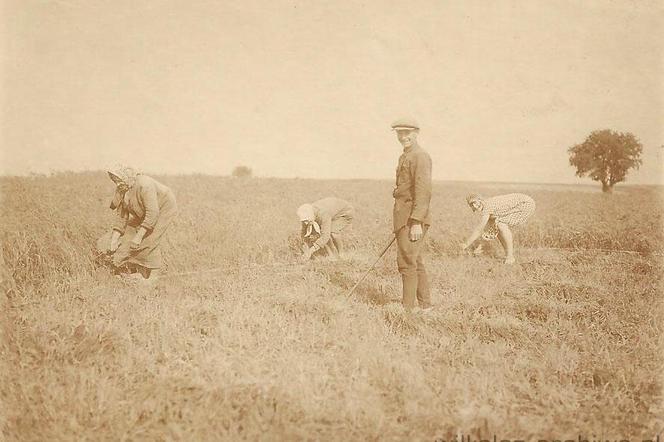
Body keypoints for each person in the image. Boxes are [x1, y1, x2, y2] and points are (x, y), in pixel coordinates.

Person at [96, 165, 177, 282]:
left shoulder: (145, 185)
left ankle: (153, 277)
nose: (117, 183)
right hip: (145, 210)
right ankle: (134, 269)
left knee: (149, 238)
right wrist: (114, 240)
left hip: (164, 207)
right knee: (129, 235)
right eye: (114, 180)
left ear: (126, 176)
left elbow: (152, 213)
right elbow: (121, 217)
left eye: (118, 179)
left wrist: (139, 237)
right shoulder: (122, 189)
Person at [391, 118, 433, 312]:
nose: (403, 137)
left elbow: (423, 191)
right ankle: (425, 306)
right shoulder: (405, 155)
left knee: (407, 262)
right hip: (403, 217)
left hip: (412, 219)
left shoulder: (420, 156)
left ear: (416, 133)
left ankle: (407, 309)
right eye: (400, 133)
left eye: (407, 133)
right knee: (414, 260)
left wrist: (416, 222)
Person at [460, 193, 535, 264]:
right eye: (472, 205)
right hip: (523, 202)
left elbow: (479, 229)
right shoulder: (487, 208)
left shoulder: (487, 207)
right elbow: (488, 229)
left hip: (526, 204)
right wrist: (480, 246)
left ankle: (510, 257)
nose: (475, 206)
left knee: (500, 224)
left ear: (480, 200)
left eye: (475, 202)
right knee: (496, 225)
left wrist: (466, 244)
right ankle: (508, 256)